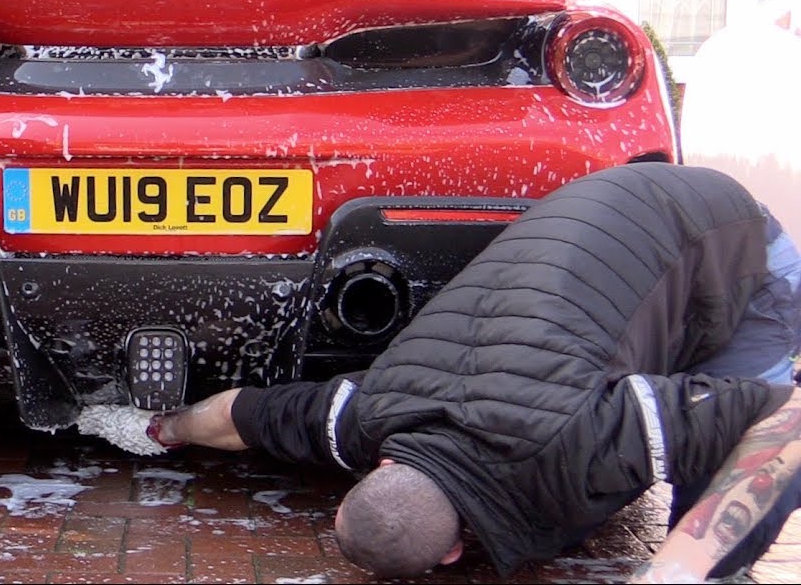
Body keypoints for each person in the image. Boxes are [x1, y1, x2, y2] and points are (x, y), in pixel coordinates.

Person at [144, 162, 801, 582]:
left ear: (453, 554)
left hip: (734, 243)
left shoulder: (576, 443)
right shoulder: (367, 415)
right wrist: (166, 428)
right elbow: (241, 417)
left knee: (727, 486)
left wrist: (677, 569)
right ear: (383, 469)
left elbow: (784, 419)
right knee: (670, 418)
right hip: (607, 202)